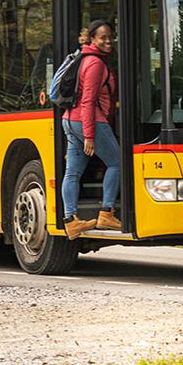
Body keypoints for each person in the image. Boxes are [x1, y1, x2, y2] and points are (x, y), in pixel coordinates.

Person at [61, 20, 122, 239]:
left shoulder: (83, 58)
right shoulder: (95, 63)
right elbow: (88, 101)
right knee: (116, 162)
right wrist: (89, 135)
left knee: (73, 172)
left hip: (69, 119)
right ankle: (106, 212)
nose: (108, 40)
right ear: (92, 39)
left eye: (110, 36)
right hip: (89, 121)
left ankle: (71, 221)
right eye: (102, 37)